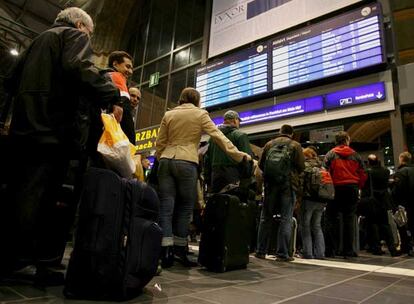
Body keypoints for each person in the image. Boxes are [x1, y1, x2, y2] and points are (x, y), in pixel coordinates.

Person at [0, 7, 122, 285]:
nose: (88, 39)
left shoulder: (36, 42)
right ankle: (40, 263)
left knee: (18, 193)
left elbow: (9, 83)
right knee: (48, 201)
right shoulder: (72, 36)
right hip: (53, 131)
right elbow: (79, 68)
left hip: (23, 130)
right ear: (80, 25)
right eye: (89, 34)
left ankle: (10, 258)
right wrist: (114, 94)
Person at [155, 87, 251, 268]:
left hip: (166, 160)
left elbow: (160, 142)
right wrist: (239, 155)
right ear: (197, 100)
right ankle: (180, 251)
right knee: (184, 208)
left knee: (166, 207)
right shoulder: (200, 114)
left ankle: (165, 252)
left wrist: (162, 158)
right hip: (187, 162)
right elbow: (219, 137)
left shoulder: (169, 115)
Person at [255, 124, 305, 262]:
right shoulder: (295, 145)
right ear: (292, 134)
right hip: (287, 186)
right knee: (286, 219)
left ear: (280, 132)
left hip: (270, 185)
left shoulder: (269, 144)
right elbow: (301, 166)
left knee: (265, 217)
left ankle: (260, 251)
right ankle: (282, 254)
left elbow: (260, 165)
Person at [323, 131, 367, 258]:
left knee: (330, 219)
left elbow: (324, 172)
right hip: (351, 188)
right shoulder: (355, 155)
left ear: (336, 141)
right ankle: (348, 251)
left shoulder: (330, 154)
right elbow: (363, 173)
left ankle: (330, 250)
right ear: (347, 140)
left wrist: (329, 187)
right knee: (349, 220)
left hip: (335, 188)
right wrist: (358, 186)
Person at [204, 110, 253, 193]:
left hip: (215, 176)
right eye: (238, 121)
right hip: (234, 176)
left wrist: (208, 180)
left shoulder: (212, 138)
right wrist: (247, 178)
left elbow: (207, 161)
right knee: (232, 203)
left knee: (217, 203)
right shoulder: (240, 136)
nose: (239, 124)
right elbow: (246, 160)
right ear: (235, 120)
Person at [361, 154, 399, 256]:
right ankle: (392, 248)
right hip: (383, 202)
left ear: (368, 162)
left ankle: (376, 248)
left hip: (372, 202)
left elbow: (364, 186)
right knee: (385, 225)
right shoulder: (386, 171)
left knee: (373, 225)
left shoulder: (368, 172)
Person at [299, 146, 326, 259]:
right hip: (321, 200)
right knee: (317, 226)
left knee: (305, 226)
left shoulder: (304, 166)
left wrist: (298, 198)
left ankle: (308, 253)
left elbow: (300, 184)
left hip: (308, 199)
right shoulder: (322, 167)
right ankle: (320, 253)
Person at [392, 151, 414, 256]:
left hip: (404, 204)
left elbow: (397, 190)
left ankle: (406, 247)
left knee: (403, 226)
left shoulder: (401, 172)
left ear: (401, 159)